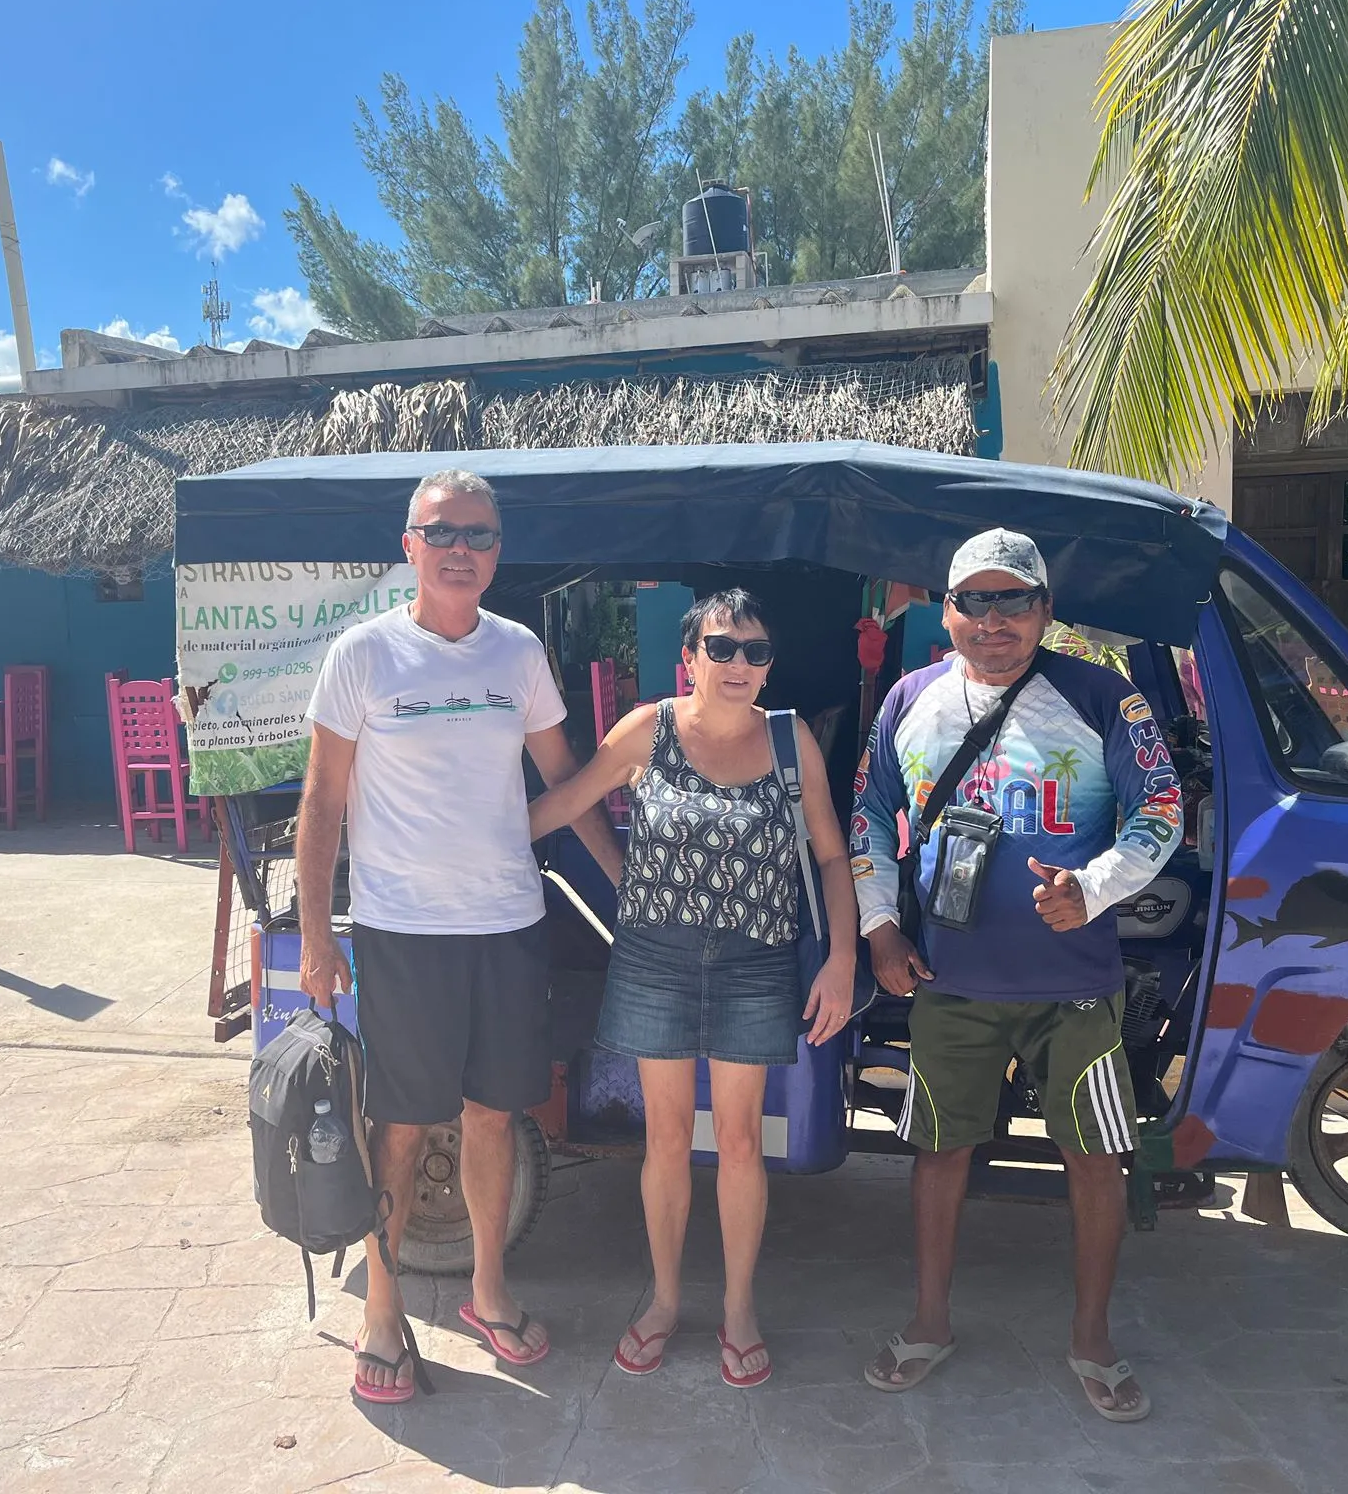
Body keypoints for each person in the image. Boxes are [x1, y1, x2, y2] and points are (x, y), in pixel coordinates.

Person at [295, 468, 623, 1406]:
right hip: (404, 933)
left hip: (510, 923)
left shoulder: (517, 654)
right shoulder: (363, 654)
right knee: (396, 1124)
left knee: (494, 1114)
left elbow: (569, 780)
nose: (460, 550)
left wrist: (624, 890)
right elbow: (323, 803)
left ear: (497, 553)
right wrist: (320, 940)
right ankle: (384, 1310)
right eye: (442, 533)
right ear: (409, 546)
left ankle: (486, 1290)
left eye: (478, 536)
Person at [850, 528, 1182, 1423]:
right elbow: (868, 818)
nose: (994, 621)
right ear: (947, 609)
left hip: (1075, 985)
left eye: (1014, 600)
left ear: (1045, 610)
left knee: (1096, 1159)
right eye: (975, 601)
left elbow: (1160, 810)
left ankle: (1092, 1337)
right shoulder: (908, 700)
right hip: (948, 982)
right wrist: (881, 930)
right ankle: (927, 1323)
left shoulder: (1104, 697)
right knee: (936, 1152)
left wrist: (1095, 888)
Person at [529, 590, 857, 1389]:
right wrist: (464, 836)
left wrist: (841, 957)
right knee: (666, 1140)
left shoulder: (791, 742)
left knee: (741, 1142)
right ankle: (666, 1301)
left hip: (756, 961)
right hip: (655, 959)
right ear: (691, 655)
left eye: (756, 650)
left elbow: (832, 857)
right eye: (723, 648)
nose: (741, 664)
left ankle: (739, 1306)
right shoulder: (649, 728)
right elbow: (569, 803)